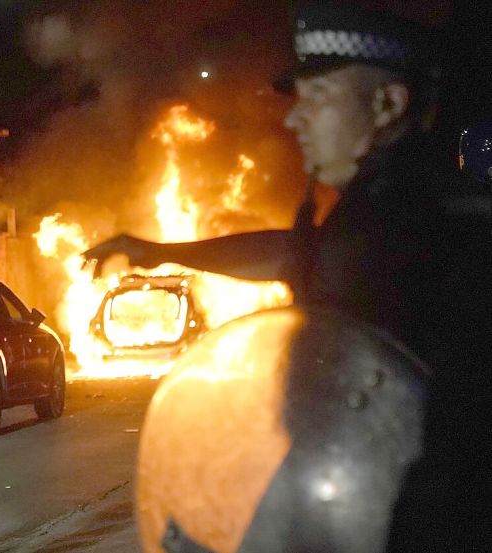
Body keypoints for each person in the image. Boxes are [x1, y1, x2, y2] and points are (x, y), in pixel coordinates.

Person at [85, 1, 491, 550]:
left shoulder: (423, 231)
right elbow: (292, 255)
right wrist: (158, 251)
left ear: (387, 103)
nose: (294, 118)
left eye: (318, 96)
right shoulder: (383, 208)